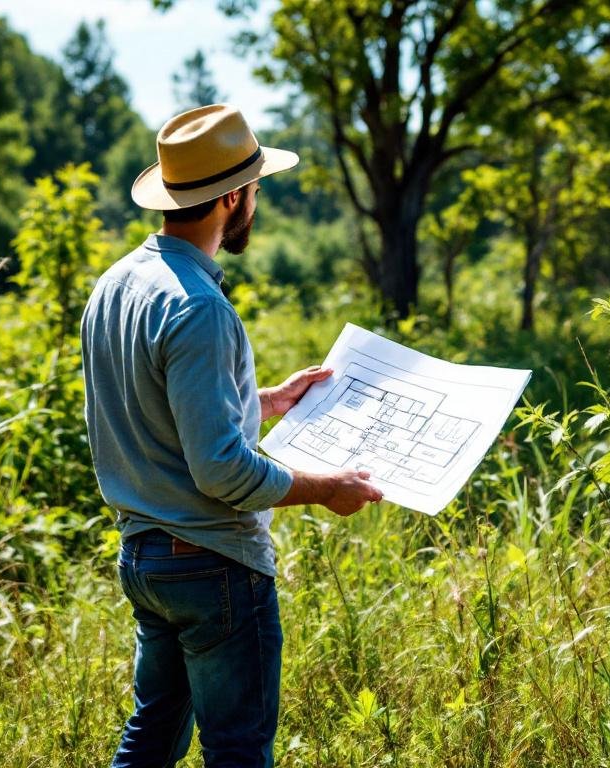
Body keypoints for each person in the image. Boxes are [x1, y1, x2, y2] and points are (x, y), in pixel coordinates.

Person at [80, 104, 383, 768]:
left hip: (146, 560)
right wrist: (327, 489)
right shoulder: (199, 307)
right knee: (238, 752)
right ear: (235, 198)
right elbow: (221, 472)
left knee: (152, 735)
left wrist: (267, 400)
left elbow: (152, 409)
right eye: (255, 189)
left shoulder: (116, 286)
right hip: (213, 565)